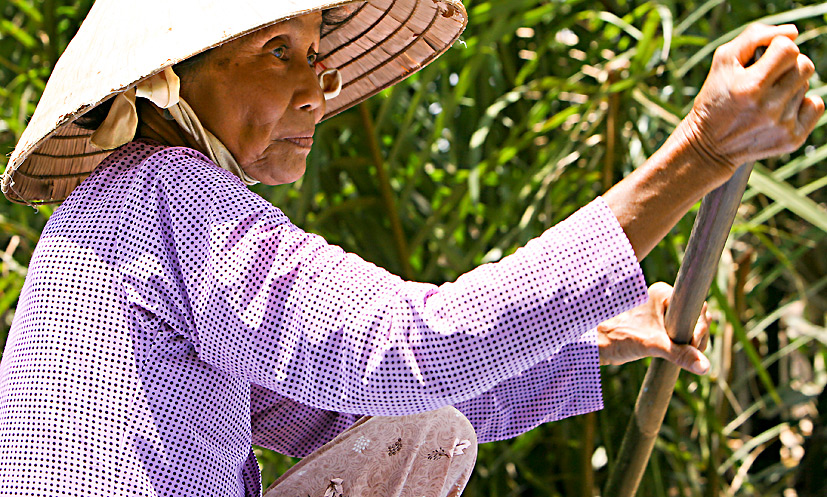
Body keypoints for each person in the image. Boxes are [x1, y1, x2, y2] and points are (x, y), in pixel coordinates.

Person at [0, 0, 821, 496]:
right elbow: (409, 345)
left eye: (315, 55)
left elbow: (369, 408)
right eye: (275, 51)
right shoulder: (165, 193)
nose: (314, 91)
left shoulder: (118, 215)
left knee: (426, 430)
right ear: (167, 80)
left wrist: (596, 337)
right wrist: (700, 154)